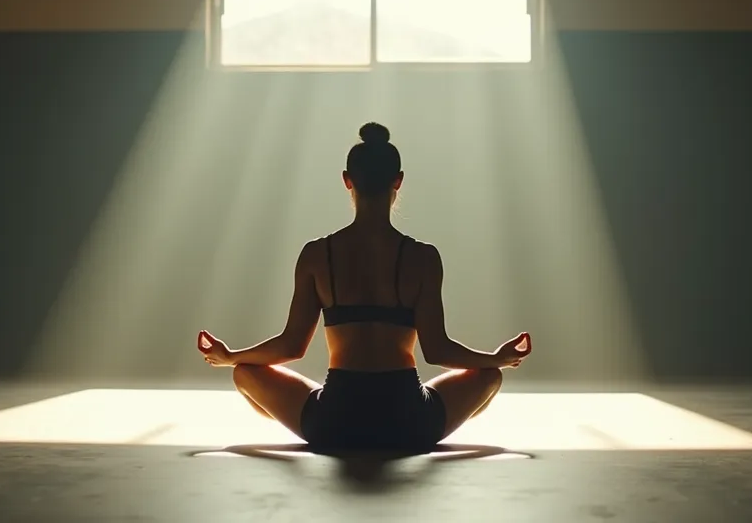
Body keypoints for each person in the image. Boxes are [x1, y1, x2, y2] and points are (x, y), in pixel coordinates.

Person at [197, 122, 532, 454]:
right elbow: (438, 351)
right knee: (490, 377)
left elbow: (291, 346)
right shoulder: (423, 258)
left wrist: (231, 357)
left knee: (244, 374)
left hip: (333, 423)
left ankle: (327, 430)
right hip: (410, 423)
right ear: (398, 180)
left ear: (347, 180)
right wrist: (495, 359)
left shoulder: (317, 255)